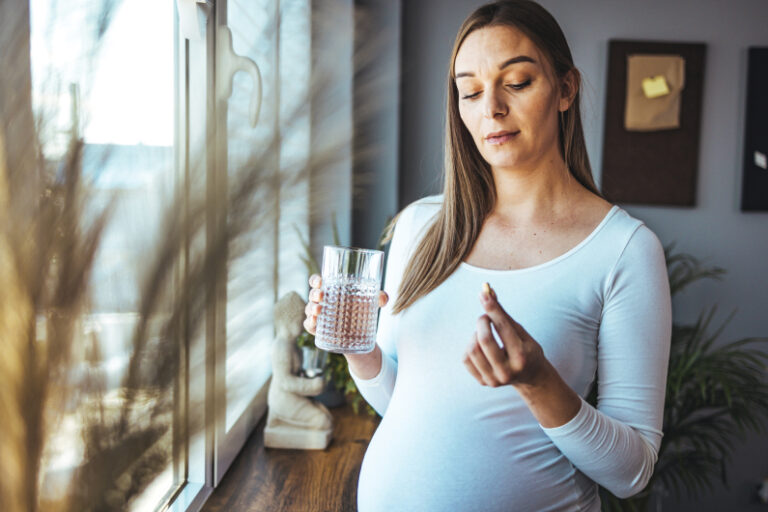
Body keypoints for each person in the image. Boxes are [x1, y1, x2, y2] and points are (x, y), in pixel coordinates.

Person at [304, 1, 671, 510]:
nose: (490, 108)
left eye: (517, 83)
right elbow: (401, 404)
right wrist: (357, 348)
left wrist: (539, 383)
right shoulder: (420, 226)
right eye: (470, 91)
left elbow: (632, 473)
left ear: (565, 89)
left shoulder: (623, 250)